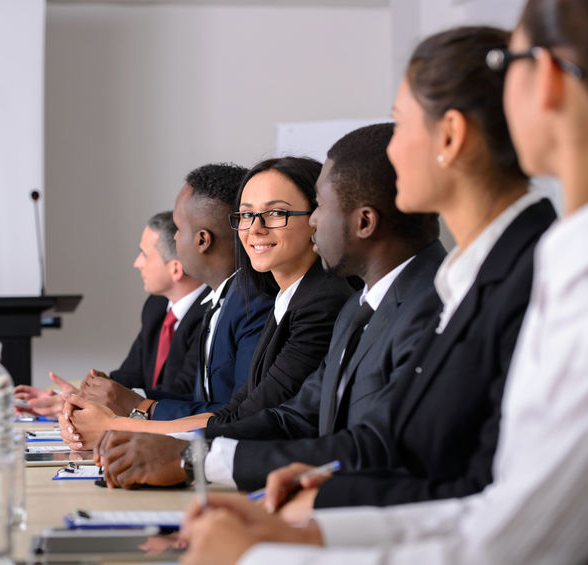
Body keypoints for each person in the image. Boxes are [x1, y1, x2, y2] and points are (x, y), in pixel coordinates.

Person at [180, 3, 588, 561]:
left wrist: (263, 551)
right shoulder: (464, 278)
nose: (391, 153)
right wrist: (315, 522)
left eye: (400, 126)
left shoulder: (547, 268)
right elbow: (449, 482)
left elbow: (510, 529)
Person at [93, 123, 445, 490]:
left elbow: (375, 449)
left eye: (320, 207)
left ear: (364, 222)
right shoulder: (358, 307)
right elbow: (291, 417)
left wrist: (184, 456)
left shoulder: (429, 307)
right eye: (245, 215)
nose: (315, 221)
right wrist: (173, 448)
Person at [63, 157, 353, 442]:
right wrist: (119, 421)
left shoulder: (319, 302)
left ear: (315, 220)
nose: (255, 228)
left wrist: (120, 425)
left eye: (276, 213)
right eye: (246, 214)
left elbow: (247, 421)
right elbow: (232, 412)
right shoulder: (285, 299)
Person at [61, 163, 274, 449]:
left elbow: (236, 415)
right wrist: (123, 399)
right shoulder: (221, 300)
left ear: (202, 240)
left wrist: (138, 407)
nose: (174, 238)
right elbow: (205, 403)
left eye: (178, 228)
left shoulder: (253, 305)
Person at [13, 211, 207, 416]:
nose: (137, 263)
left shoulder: (209, 314)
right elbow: (129, 377)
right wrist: (78, 397)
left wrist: (100, 403)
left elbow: (182, 392)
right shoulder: (156, 307)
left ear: (175, 269)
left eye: (144, 254)